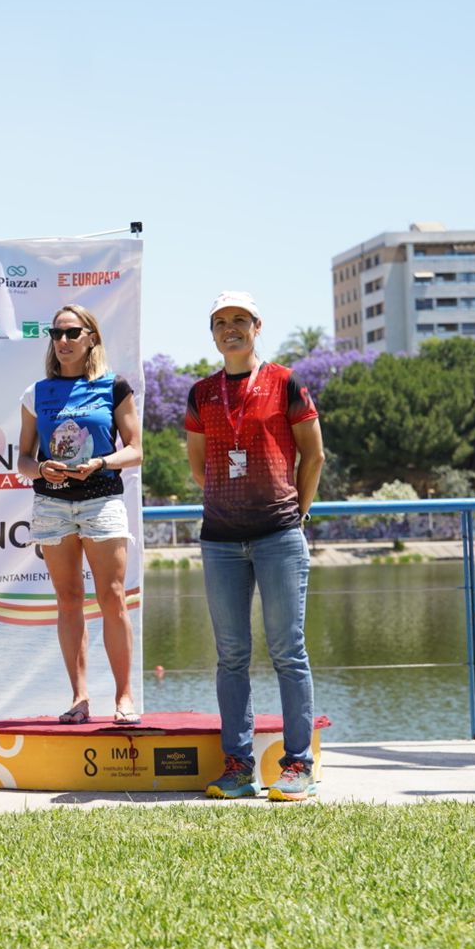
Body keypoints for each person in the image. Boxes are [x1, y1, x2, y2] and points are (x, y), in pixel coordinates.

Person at [185, 291, 326, 802]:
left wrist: (297, 511)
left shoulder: (287, 382)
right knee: (231, 656)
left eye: (239, 320)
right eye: (220, 322)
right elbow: (198, 467)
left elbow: (314, 455)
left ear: (257, 325)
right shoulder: (202, 392)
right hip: (220, 540)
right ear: (213, 332)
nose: (230, 329)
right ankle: (239, 767)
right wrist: (228, 493)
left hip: (279, 535)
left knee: (289, 651)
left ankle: (297, 765)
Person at [15, 305, 143, 725]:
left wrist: (102, 463)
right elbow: (23, 459)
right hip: (52, 503)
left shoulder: (113, 386)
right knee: (68, 601)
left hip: (101, 499)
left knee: (112, 598)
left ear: (92, 337)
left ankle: (124, 698)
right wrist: (43, 468)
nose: (63, 341)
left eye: (72, 333)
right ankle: (80, 697)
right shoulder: (36, 393)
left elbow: (136, 449)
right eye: (56, 333)